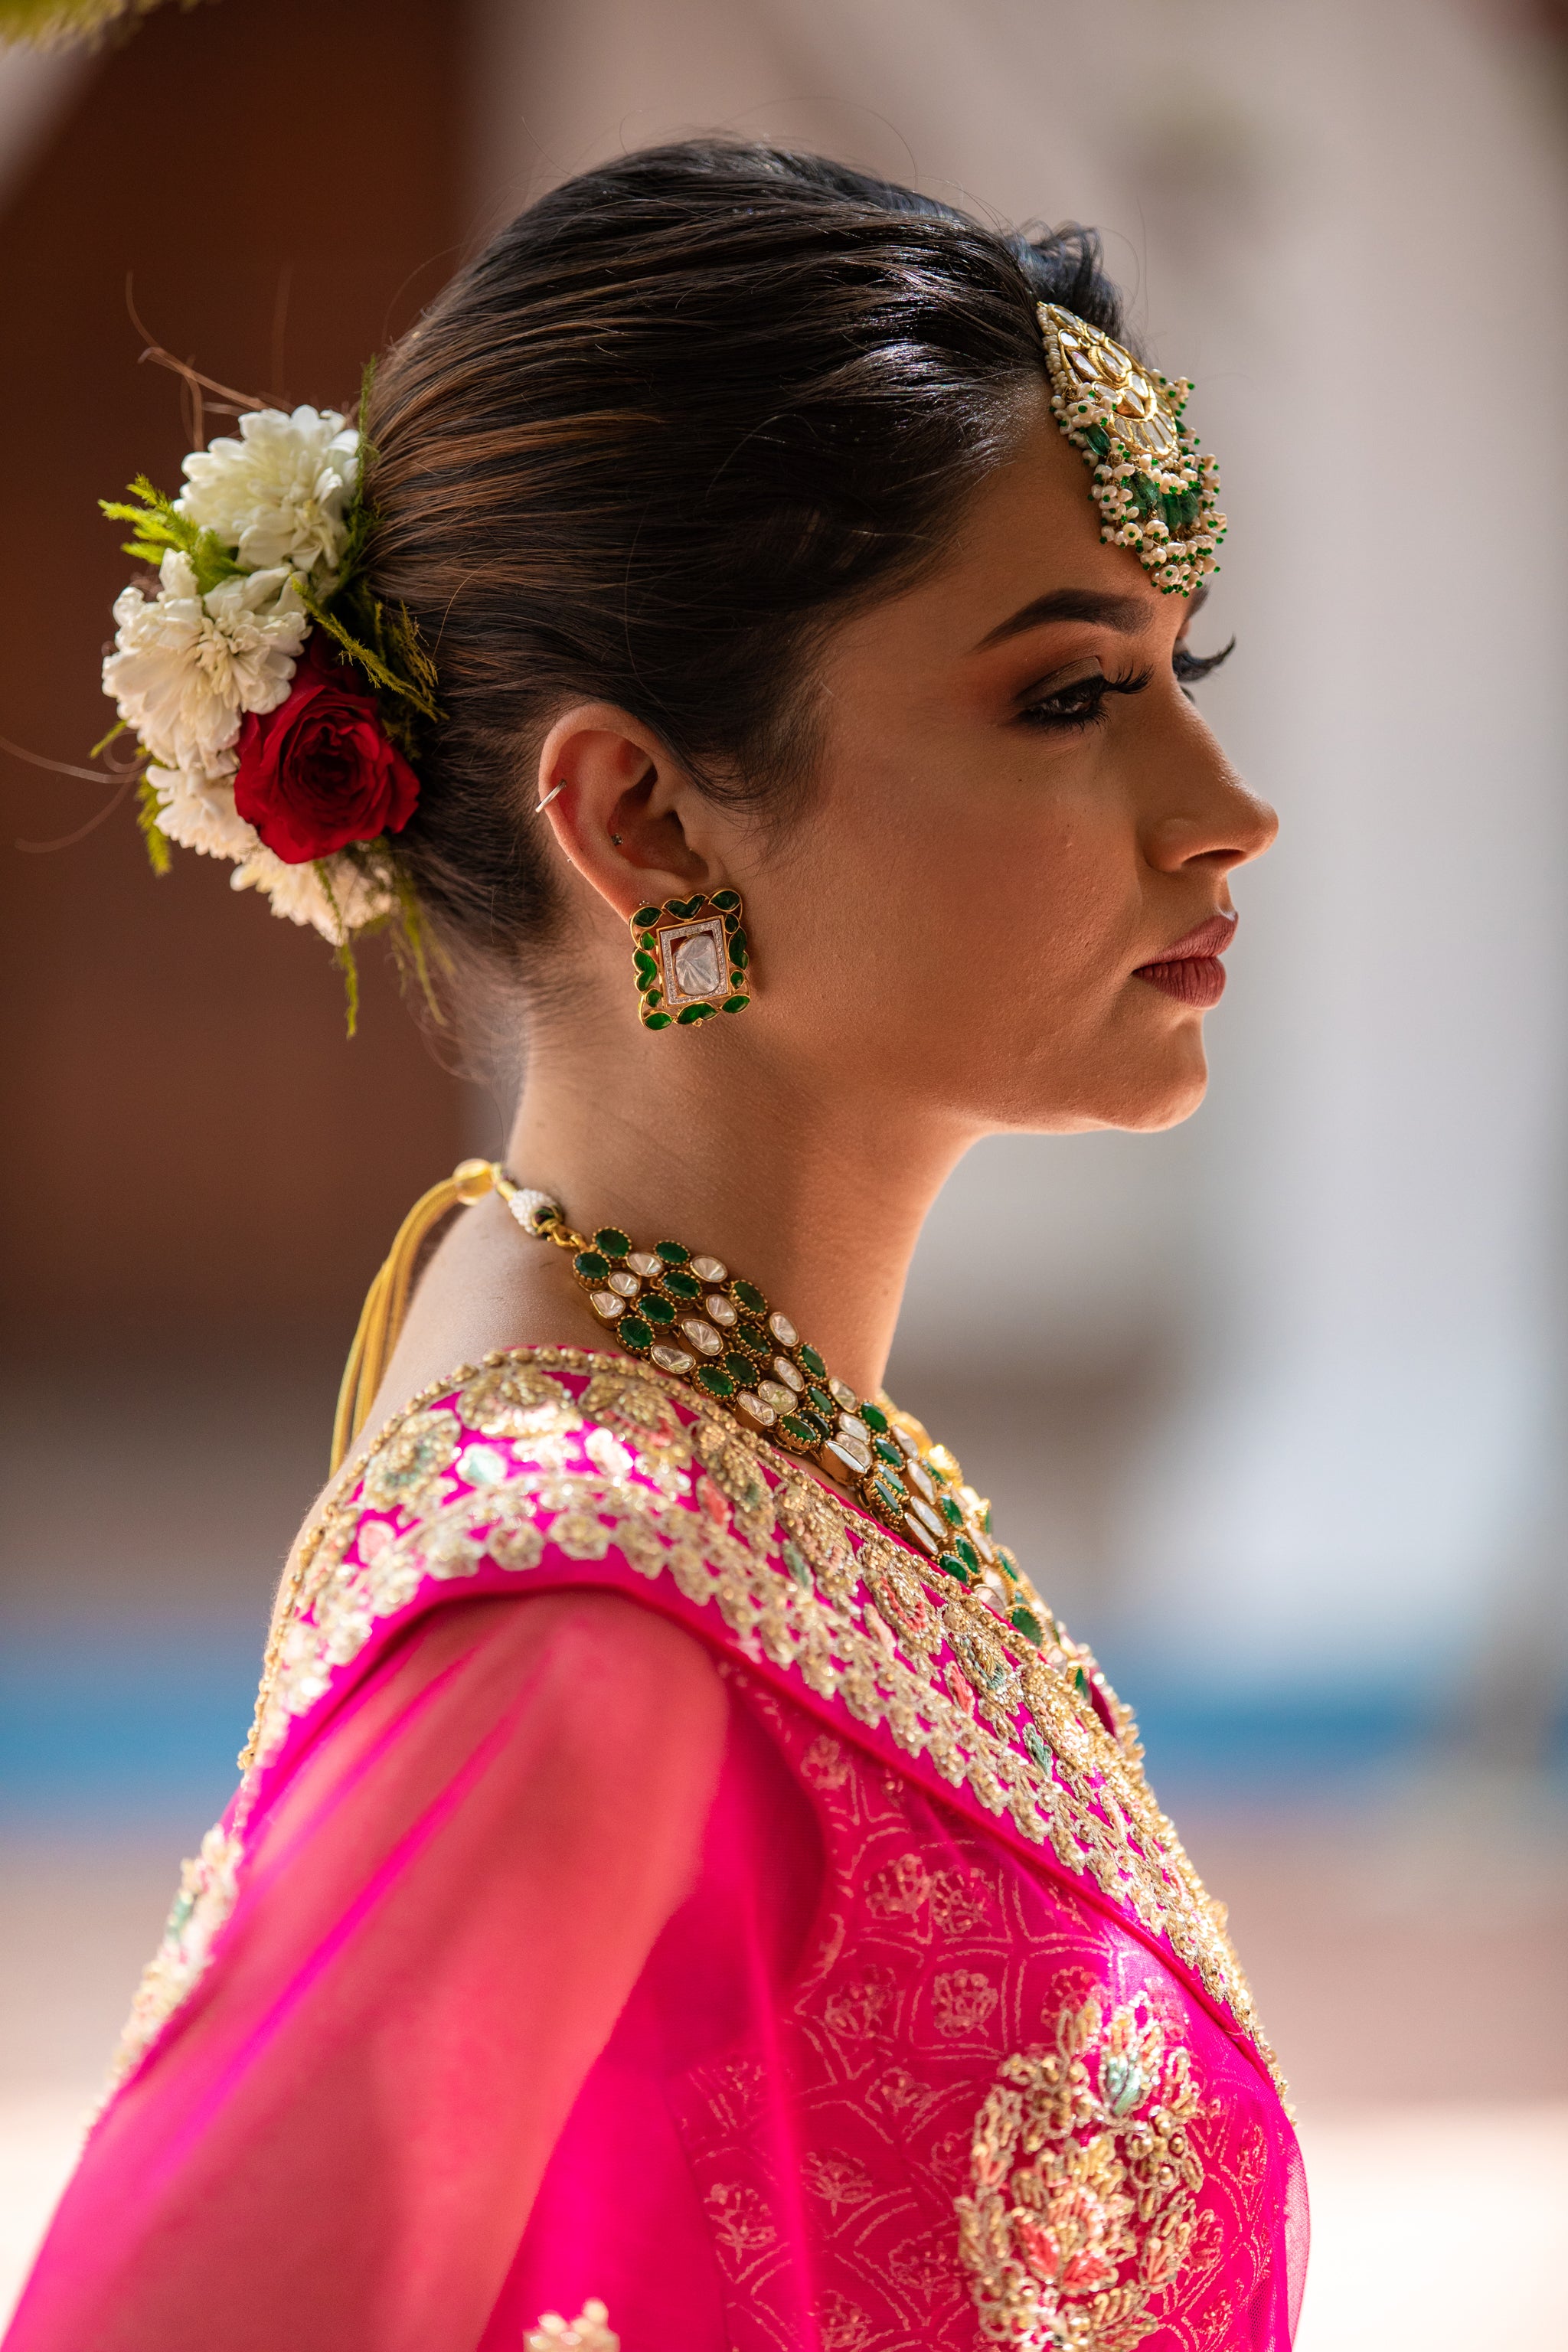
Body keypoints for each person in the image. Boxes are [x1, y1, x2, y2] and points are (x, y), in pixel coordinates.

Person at [5, 142, 1303, 2352]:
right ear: (649, 818)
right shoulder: (583, 1618)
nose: (1224, 803)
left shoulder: (709, 1416)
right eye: (1072, 696)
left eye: (1187, 671)